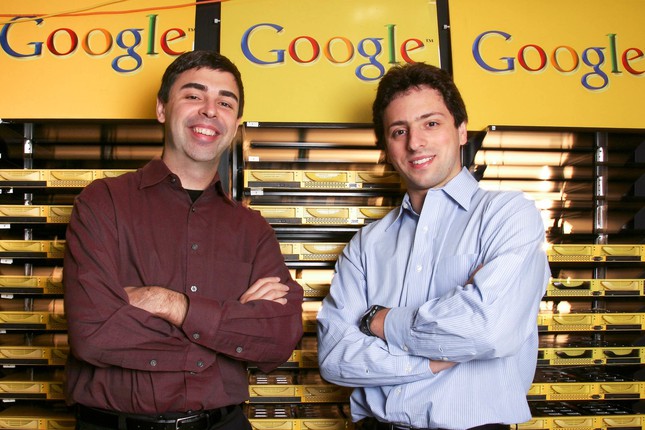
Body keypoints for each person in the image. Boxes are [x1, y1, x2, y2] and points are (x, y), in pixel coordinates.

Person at [64, 50, 304, 430]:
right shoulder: (103, 202)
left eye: (225, 102)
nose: (210, 110)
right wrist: (229, 330)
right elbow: (92, 334)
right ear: (162, 108)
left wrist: (166, 302)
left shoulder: (253, 229)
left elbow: (278, 340)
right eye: (193, 95)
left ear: (236, 124)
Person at [317, 62, 550, 430]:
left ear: (461, 130)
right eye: (399, 131)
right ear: (386, 147)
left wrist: (380, 321)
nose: (415, 142)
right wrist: (434, 358)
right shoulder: (366, 244)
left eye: (431, 123)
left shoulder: (508, 215)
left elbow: (488, 330)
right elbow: (334, 358)